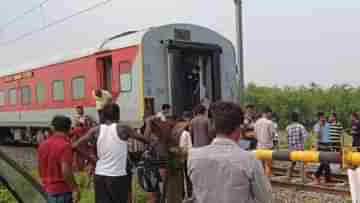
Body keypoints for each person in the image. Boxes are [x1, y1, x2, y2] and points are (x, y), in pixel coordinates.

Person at [188, 101, 272, 203]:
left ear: (213, 127)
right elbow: (265, 198)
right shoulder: (250, 159)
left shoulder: (193, 157)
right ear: (239, 128)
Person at [73, 103, 149, 203]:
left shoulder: (95, 130)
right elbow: (146, 140)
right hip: (117, 176)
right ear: (118, 115)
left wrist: (91, 158)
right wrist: (149, 124)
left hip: (100, 175)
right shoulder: (123, 128)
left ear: (103, 115)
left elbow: (75, 146)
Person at [38, 116, 80, 203]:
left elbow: (40, 168)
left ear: (53, 128)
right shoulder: (65, 145)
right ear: (69, 129)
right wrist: (75, 189)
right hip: (62, 192)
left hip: (47, 191)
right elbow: (66, 171)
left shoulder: (43, 144)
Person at [286, 112, 309, 180]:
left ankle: (288, 176)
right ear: (298, 118)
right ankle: (303, 178)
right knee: (301, 164)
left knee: (292, 163)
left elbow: (287, 137)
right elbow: (305, 137)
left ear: (291, 119)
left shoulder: (288, 127)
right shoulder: (300, 126)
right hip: (299, 148)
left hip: (291, 148)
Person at [254, 107, 275, 177]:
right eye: (270, 113)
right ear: (268, 113)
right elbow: (272, 135)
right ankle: (267, 182)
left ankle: (261, 182)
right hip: (268, 147)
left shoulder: (257, 122)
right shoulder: (269, 122)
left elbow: (255, 135)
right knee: (268, 166)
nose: (271, 115)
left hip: (259, 147)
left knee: (260, 167)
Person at [313, 112, 331, 184]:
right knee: (324, 162)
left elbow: (330, 135)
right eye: (321, 117)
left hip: (328, 145)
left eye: (324, 117)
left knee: (327, 162)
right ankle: (322, 177)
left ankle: (324, 177)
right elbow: (318, 136)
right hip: (321, 145)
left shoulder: (328, 125)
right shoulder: (317, 126)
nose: (323, 118)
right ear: (319, 118)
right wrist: (320, 127)